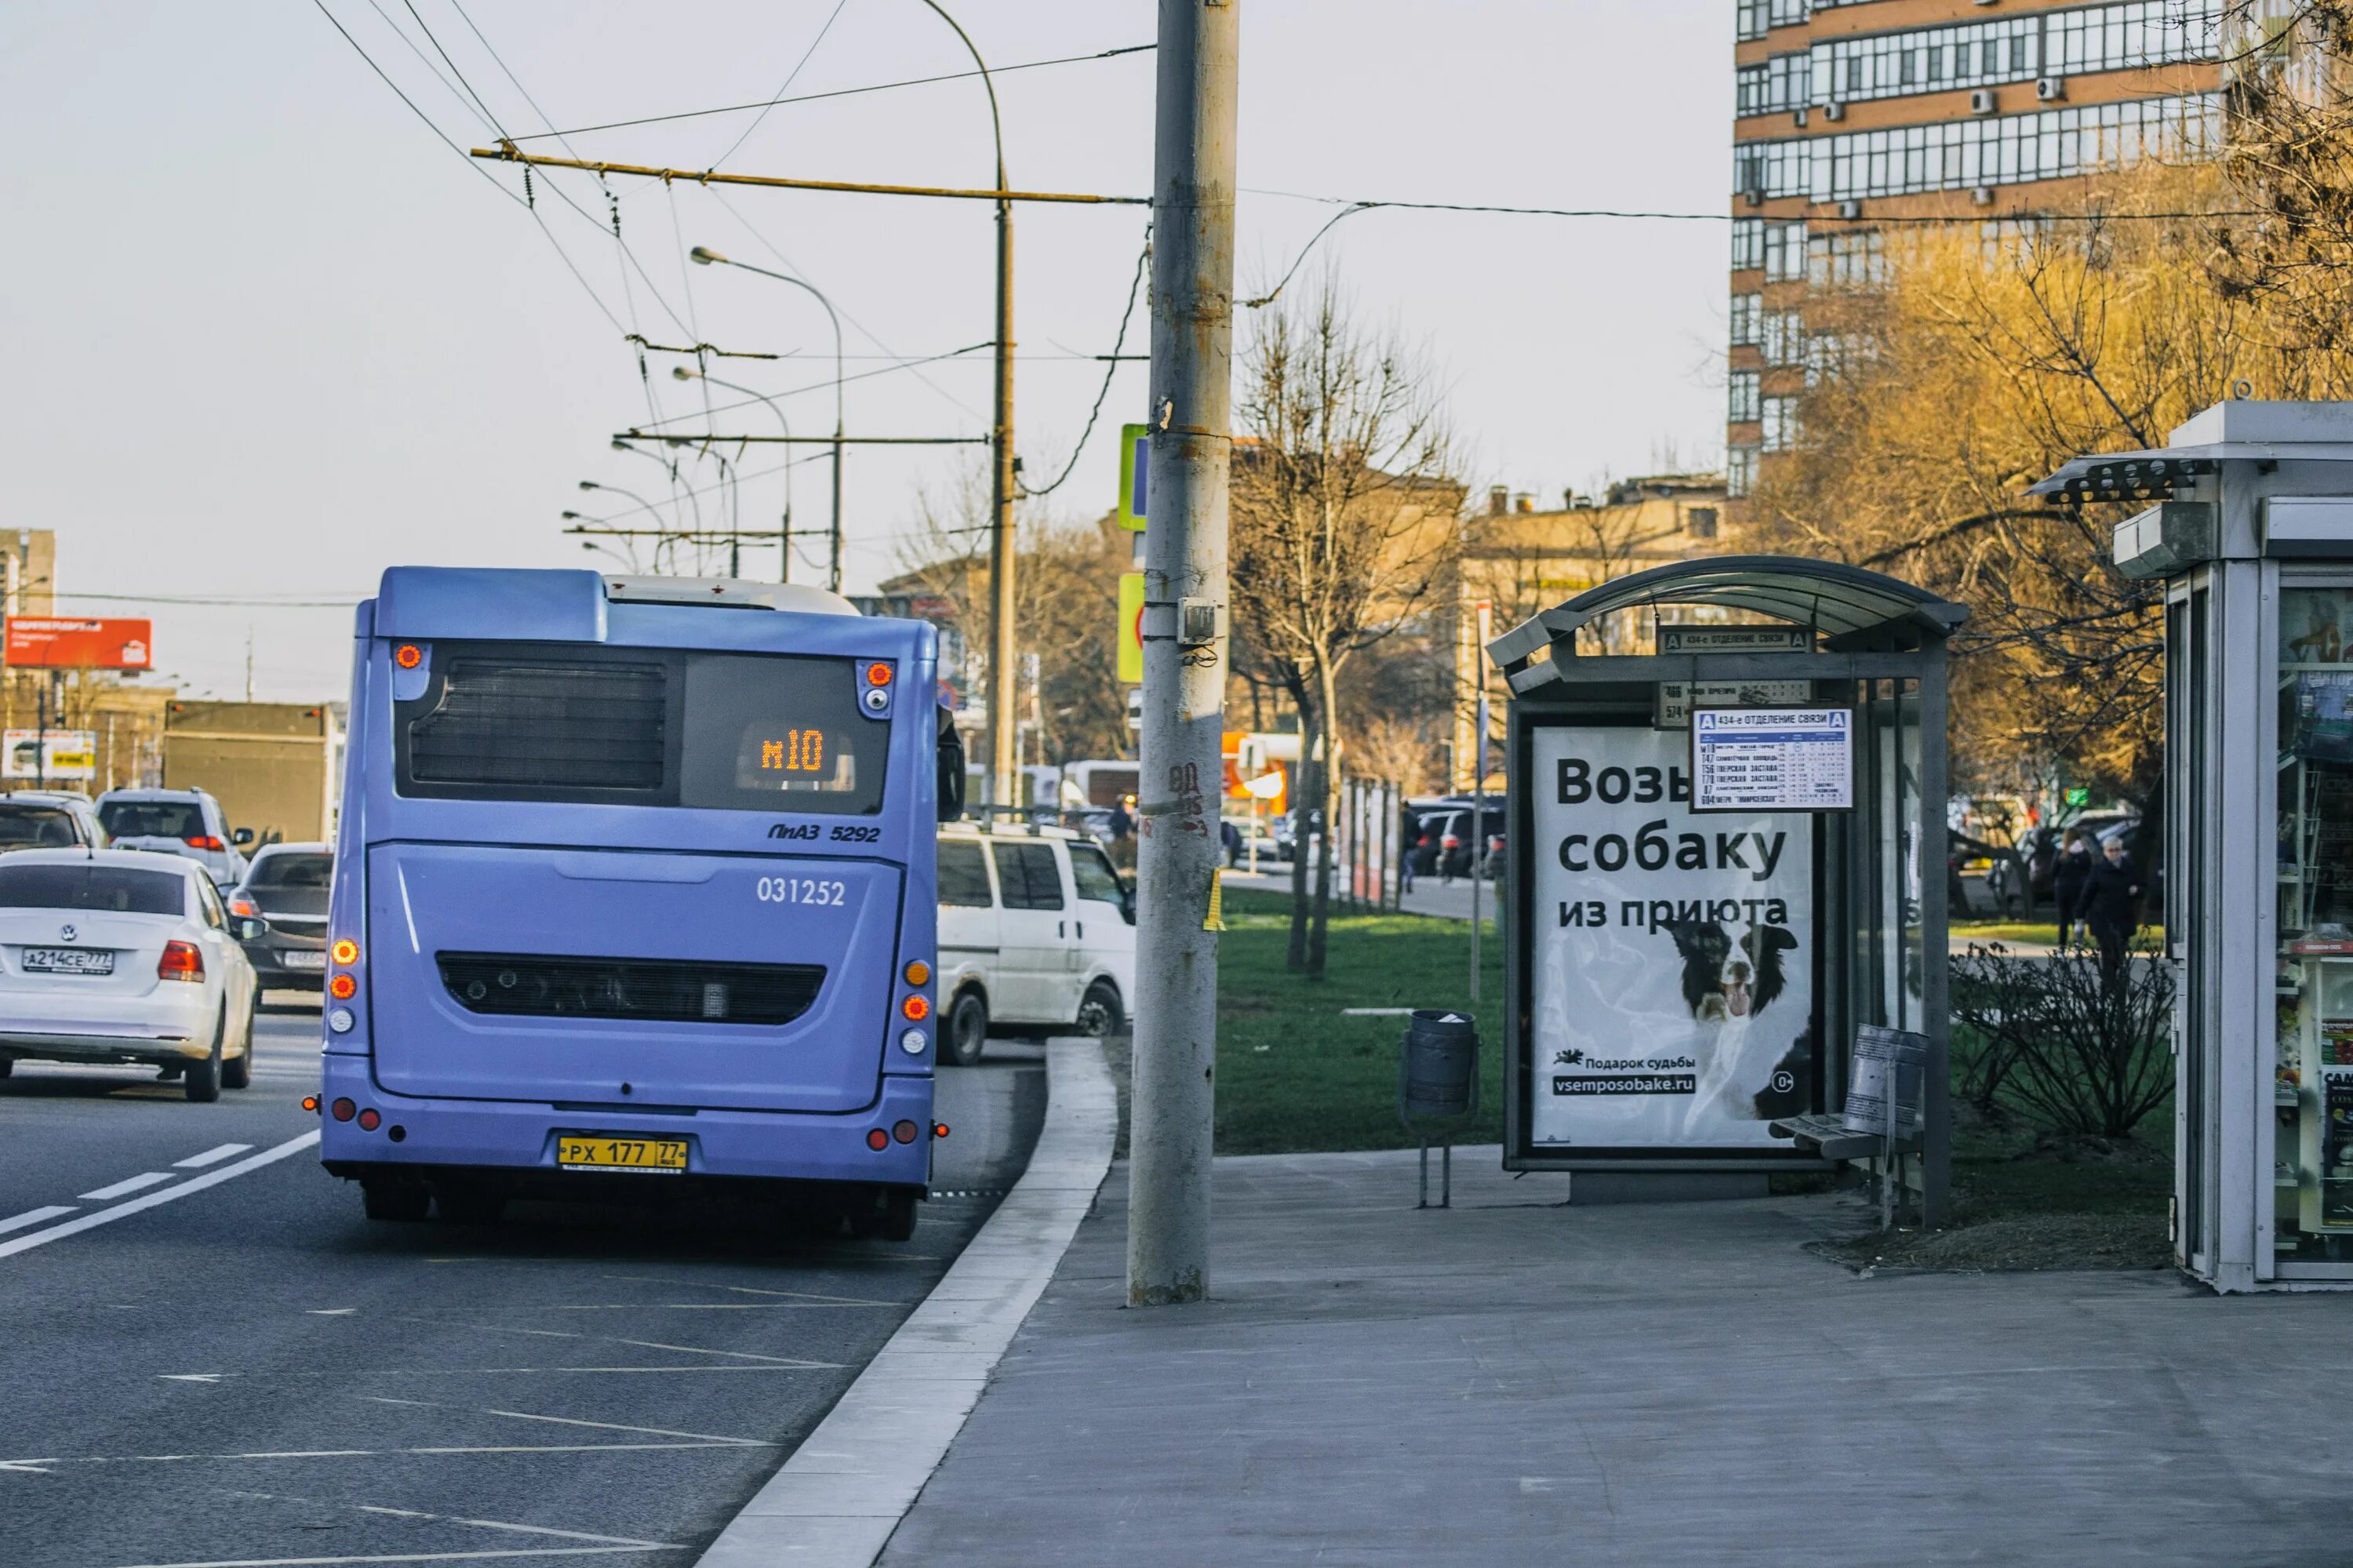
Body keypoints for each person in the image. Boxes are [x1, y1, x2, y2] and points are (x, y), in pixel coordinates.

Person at [2082, 834, 2144, 981]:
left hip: (2123, 918)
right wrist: (2080, 915)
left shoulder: (2129, 868)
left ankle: (2118, 991)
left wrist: (2137, 890)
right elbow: (2088, 893)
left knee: (2120, 957)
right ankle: (2108, 989)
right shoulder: (2098, 870)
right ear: (2105, 851)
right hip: (2103, 919)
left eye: (2117, 850)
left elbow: (2143, 886)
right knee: (2108, 956)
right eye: (2111, 850)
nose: (2114, 853)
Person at [2053, 830, 2095, 950]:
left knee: (2063, 918)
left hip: (2062, 888)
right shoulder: (2084, 853)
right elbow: (2089, 870)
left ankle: (2062, 944)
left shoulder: (2061, 852)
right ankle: (2078, 942)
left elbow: (2053, 871)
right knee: (2078, 917)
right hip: (2079, 888)